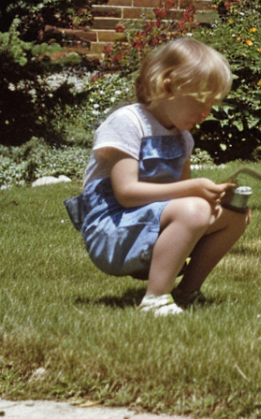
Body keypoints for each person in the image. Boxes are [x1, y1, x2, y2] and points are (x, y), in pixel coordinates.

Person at [69, 37, 246, 316]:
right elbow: (126, 194)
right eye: (201, 101)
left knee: (236, 214)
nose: (206, 113)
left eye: (212, 104)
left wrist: (208, 196)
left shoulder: (183, 138)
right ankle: (155, 299)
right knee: (194, 208)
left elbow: (180, 194)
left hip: (149, 222)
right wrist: (194, 189)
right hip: (112, 229)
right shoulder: (129, 122)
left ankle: (187, 291)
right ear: (168, 85)